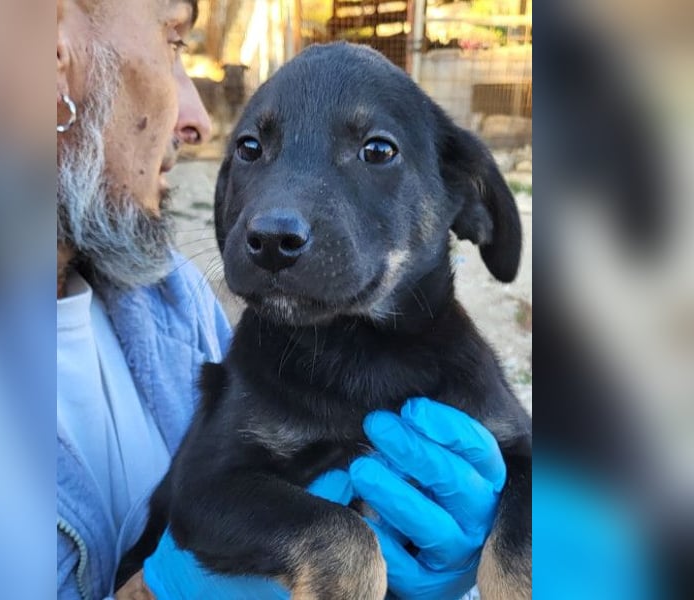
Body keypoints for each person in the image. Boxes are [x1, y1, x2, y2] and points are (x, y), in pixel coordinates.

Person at [55, 1, 506, 598]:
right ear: (50, 48)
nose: (198, 121)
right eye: (174, 42)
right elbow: (214, 487)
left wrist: (481, 574)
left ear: (463, 196)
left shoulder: (171, 297)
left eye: (376, 151)